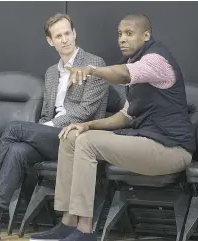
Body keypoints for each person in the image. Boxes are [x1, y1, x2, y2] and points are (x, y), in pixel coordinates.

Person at [0, 13, 109, 241]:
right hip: (53, 137)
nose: (65, 39)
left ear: (75, 33)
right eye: (58, 36)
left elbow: (86, 111)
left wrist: (46, 126)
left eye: (67, 33)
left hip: (78, 138)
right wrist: (43, 127)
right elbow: (45, 114)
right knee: (16, 150)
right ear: (50, 41)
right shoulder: (52, 73)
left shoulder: (94, 64)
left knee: (14, 129)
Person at [30, 13, 195, 241]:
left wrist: (91, 70)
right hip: (145, 141)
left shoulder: (157, 60)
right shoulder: (134, 64)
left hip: (171, 149)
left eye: (129, 33)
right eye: (119, 34)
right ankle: (68, 222)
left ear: (146, 36)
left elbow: (124, 74)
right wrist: (86, 124)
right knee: (72, 135)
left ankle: (85, 231)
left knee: (86, 143)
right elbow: (126, 116)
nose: (122, 39)